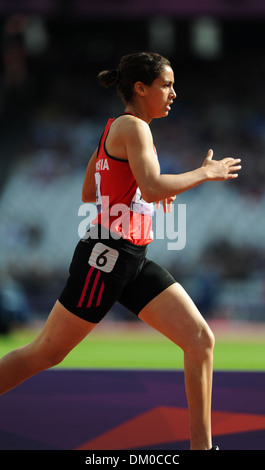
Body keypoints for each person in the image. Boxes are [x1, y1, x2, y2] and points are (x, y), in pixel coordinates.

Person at [0, 52, 241, 450]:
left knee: (200, 339)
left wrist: (141, 200)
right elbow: (149, 187)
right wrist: (204, 173)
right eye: (166, 85)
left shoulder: (119, 128)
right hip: (106, 258)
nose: (173, 93)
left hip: (133, 258)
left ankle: (203, 448)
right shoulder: (133, 127)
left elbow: (90, 191)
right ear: (140, 88)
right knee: (45, 353)